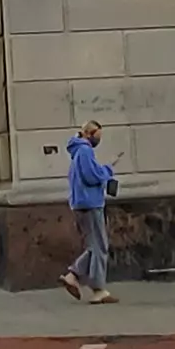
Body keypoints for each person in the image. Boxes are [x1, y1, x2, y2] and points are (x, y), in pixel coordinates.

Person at [61, 120, 117, 304]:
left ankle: (75, 275)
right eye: (98, 136)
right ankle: (97, 289)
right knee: (100, 246)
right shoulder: (85, 151)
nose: (98, 140)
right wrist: (108, 170)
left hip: (82, 203)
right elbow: (91, 175)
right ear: (89, 133)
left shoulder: (77, 151)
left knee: (95, 246)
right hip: (91, 203)